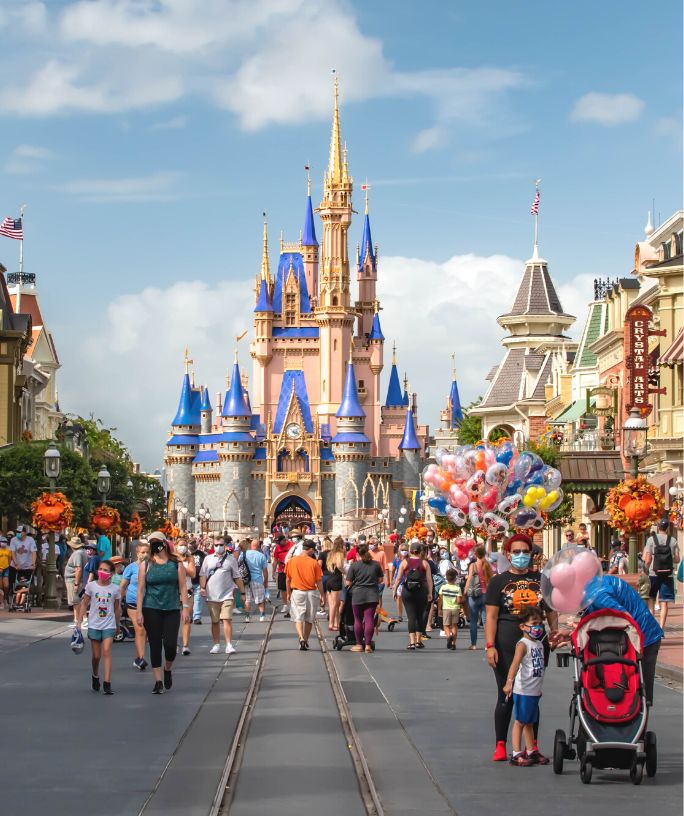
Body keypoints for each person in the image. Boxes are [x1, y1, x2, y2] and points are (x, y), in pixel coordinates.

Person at [484, 533, 558, 762]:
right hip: (506, 644)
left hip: (537, 644)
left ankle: (531, 746)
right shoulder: (498, 581)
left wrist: (554, 633)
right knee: (505, 694)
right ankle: (501, 744)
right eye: (516, 552)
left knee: (532, 695)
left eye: (525, 552)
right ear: (508, 554)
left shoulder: (542, 580)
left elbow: (551, 610)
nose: (521, 556)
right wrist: (490, 645)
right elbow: (491, 616)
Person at [551, 572, 664, 706]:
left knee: (638, 692)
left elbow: (623, 620)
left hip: (643, 638)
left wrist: (576, 634)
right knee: (625, 689)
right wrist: (572, 634)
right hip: (631, 636)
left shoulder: (598, 595)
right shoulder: (592, 586)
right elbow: (594, 622)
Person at [136, 532, 189, 694]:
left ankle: (168, 669)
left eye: (157, 542)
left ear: (164, 543)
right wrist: (139, 611)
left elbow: (182, 586)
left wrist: (185, 607)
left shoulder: (176, 564)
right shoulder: (146, 564)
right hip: (151, 607)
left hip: (171, 608)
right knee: (155, 644)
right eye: (152, 543)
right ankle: (158, 681)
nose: (155, 546)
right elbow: (140, 589)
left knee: (170, 645)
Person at [502, 606, 549, 766]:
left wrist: (538, 689)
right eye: (534, 623)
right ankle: (516, 754)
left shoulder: (539, 644)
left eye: (540, 623)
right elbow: (515, 665)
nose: (538, 627)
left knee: (530, 722)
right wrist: (509, 683)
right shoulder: (523, 644)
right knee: (520, 722)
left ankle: (531, 751)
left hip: (533, 691)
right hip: (523, 691)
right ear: (523, 626)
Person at [76, 559, 121, 695]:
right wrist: (79, 622)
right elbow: (84, 603)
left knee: (106, 651)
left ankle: (107, 683)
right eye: (100, 569)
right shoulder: (91, 586)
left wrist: (118, 625)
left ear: (111, 573)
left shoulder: (115, 589)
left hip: (109, 624)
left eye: (106, 570)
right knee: (96, 656)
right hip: (94, 624)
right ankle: (95, 675)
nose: (102, 572)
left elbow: (117, 608)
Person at [200, 539, 244, 655]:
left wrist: (243, 593)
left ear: (225, 546)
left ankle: (229, 645)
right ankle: (216, 644)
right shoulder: (208, 559)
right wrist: (202, 587)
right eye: (216, 545)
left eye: (221, 545)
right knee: (215, 621)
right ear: (213, 546)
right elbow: (203, 574)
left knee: (227, 619)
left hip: (227, 595)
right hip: (212, 595)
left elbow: (237, 577)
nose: (218, 547)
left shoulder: (231, 559)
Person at [392, 540, 433, 650]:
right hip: (421, 591)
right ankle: (419, 641)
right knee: (419, 616)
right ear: (421, 551)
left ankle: (411, 642)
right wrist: (430, 593)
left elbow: (398, 578)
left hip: (408, 591)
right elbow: (429, 580)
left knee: (411, 617)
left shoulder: (404, 562)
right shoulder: (425, 563)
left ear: (410, 551)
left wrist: (395, 590)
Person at [285, 539, 324, 650]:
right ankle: (305, 640)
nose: (314, 552)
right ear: (310, 549)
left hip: (297, 592)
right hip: (311, 593)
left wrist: (288, 593)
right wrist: (322, 595)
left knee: (298, 617)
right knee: (309, 619)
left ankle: (301, 638)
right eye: (313, 550)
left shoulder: (292, 561)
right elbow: (319, 581)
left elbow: (287, 579)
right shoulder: (314, 563)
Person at [346, 543, 383, 653]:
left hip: (358, 595)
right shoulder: (376, 565)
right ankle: (367, 645)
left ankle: (359, 644)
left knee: (357, 619)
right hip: (372, 595)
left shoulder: (354, 565)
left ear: (358, 554)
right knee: (369, 619)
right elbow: (380, 580)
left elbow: (348, 582)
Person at [643, 519, 680, 630]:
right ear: (667, 528)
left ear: (658, 527)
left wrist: (645, 569)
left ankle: (652, 627)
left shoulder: (651, 540)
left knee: (651, 600)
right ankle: (661, 627)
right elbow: (677, 560)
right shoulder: (673, 540)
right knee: (664, 602)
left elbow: (647, 559)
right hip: (667, 575)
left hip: (653, 574)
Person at [120, 540, 150, 670]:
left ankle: (138, 657)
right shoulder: (131, 568)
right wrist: (118, 602)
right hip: (133, 601)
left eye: (147, 552)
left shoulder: (152, 567)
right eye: (143, 552)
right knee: (140, 629)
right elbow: (123, 586)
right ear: (137, 553)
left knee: (145, 632)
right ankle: (141, 658)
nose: (145, 555)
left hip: (148, 602)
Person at [464, 545, 493, 650]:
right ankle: (488, 644)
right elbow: (491, 579)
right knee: (486, 621)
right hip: (486, 594)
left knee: (473, 620)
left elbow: (469, 579)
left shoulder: (473, 565)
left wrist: (465, 592)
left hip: (474, 595)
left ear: (475, 554)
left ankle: (474, 644)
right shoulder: (487, 565)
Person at [175, 539, 196, 654]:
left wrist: (182, 567)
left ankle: (185, 645)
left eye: (184, 545)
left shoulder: (189, 558)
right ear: (176, 546)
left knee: (186, 618)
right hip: (174, 592)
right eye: (180, 545)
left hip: (187, 591)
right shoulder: (172, 558)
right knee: (174, 620)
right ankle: (174, 643)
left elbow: (193, 573)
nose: (182, 547)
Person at [243, 538, 268, 622]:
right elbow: (265, 571)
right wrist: (265, 581)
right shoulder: (261, 556)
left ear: (251, 545)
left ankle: (247, 617)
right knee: (260, 599)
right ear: (259, 546)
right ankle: (262, 616)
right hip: (257, 580)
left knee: (247, 599)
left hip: (246, 580)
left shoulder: (244, 554)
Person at [438, 568, 462, 650]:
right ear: (455, 578)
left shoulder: (443, 587)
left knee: (446, 625)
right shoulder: (457, 588)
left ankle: (449, 636)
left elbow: (440, 599)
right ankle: (453, 644)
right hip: (455, 609)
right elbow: (458, 601)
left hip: (446, 608)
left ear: (446, 577)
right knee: (454, 626)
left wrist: (439, 609)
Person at [325, 537, 345, 632]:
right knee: (335, 604)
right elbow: (339, 565)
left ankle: (337, 623)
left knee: (333, 604)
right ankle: (331, 624)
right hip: (336, 580)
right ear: (341, 544)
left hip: (329, 579)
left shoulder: (330, 554)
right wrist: (345, 572)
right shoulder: (339, 554)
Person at [272, 535, 293, 615]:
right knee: (282, 589)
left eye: (279, 542)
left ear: (284, 540)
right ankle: (285, 604)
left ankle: (292, 604)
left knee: (292, 587)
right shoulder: (277, 547)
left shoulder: (291, 545)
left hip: (291, 569)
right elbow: (275, 560)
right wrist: (273, 572)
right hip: (281, 570)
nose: (278, 544)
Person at [188, 540, 206, 623]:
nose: (192, 545)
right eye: (191, 543)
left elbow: (204, 566)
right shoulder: (186, 554)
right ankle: (189, 616)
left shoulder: (201, 554)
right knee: (188, 600)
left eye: (193, 543)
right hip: (188, 581)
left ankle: (197, 617)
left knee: (198, 600)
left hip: (198, 580)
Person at [390, 544, 408, 619]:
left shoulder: (410, 560)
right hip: (399, 581)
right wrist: (391, 581)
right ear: (399, 551)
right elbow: (392, 571)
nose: (404, 551)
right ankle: (400, 615)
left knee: (407, 598)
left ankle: (409, 614)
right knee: (398, 597)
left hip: (407, 582)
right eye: (402, 550)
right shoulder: (397, 560)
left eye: (405, 550)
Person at [0, 535, 11, 609]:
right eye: (2, 541)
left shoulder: (8, 550)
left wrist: (7, 566)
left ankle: (5, 599)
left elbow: (10, 560)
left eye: (5, 541)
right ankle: (1, 603)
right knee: (0, 587)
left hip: (6, 568)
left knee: (6, 586)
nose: (3, 543)